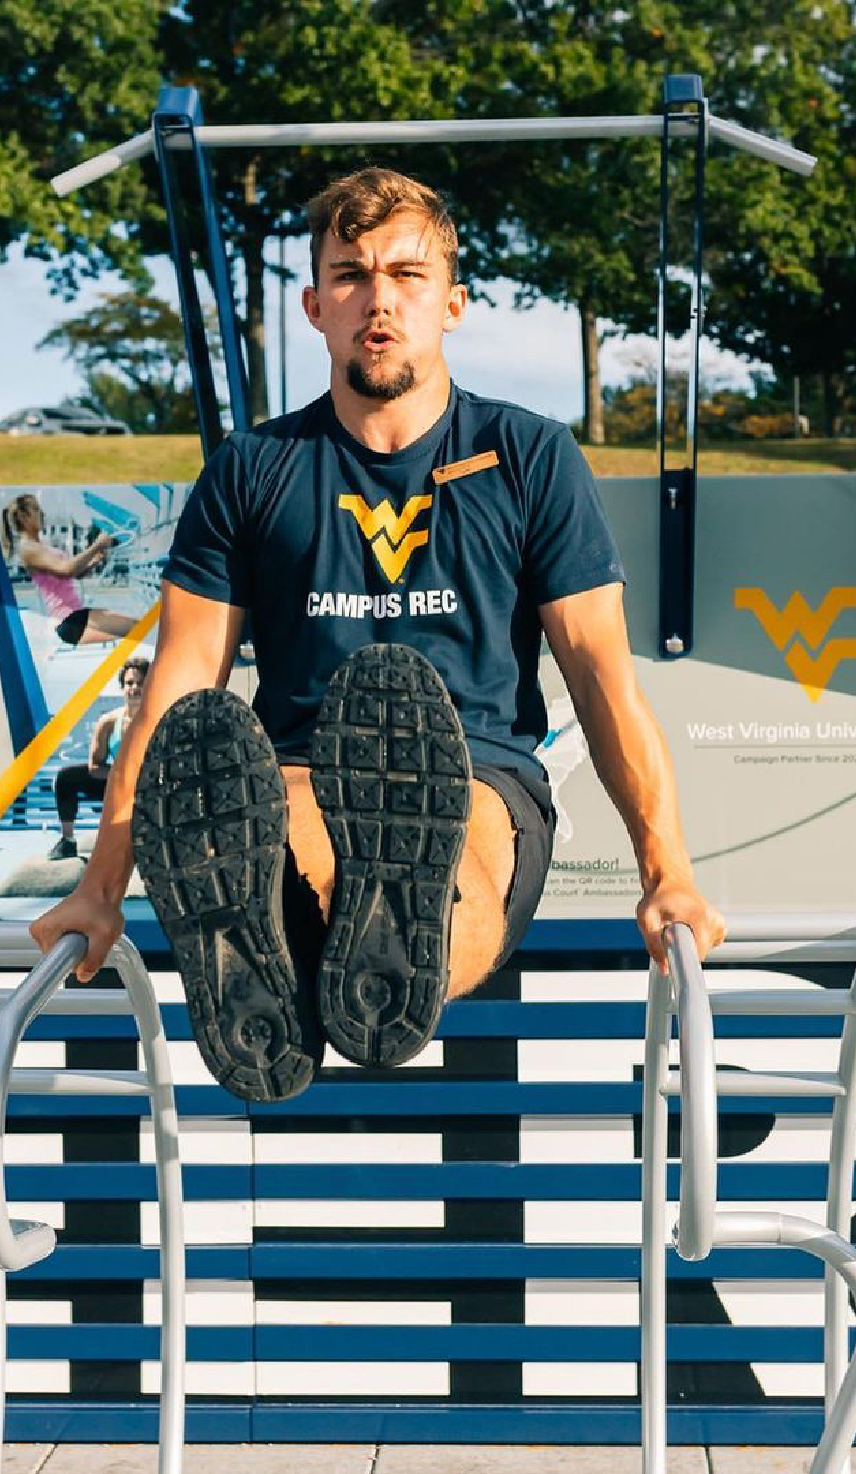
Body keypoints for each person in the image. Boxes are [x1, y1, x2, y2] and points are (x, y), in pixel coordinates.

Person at [31, 167, 724, 1102]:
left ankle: (373, 948)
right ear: (316, 306)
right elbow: (179, 690)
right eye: (352, 276)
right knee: (275, 807)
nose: (379, 300)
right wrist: (99, 890)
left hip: (482, 774)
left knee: (452, 829)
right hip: (298, 770)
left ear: (454, 302)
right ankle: (291, 960)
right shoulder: (254, 471)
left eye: (407, 273)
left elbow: (602, 679)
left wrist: (667, 873)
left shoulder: (528, 457)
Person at [1, 492, 137, 645]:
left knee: (139, 626)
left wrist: (93, 562)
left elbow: (72, 575)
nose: (43, 514)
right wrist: (96, 545)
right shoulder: (28, 549)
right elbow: (67, 569)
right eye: (37, 510)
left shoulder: (37, 547)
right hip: (68, 620)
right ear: (23, 517)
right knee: (138, 627)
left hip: (74, 615)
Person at [46, 658, 149, 861]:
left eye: (141, 683)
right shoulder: (109, 722)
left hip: (150, 786)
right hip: (117, 783)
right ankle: (67, 841)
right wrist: (124, 776)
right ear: (122, 687)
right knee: (66, 777)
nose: (134, 688)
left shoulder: (159, 719)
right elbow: (95, 767)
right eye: (129, 683)